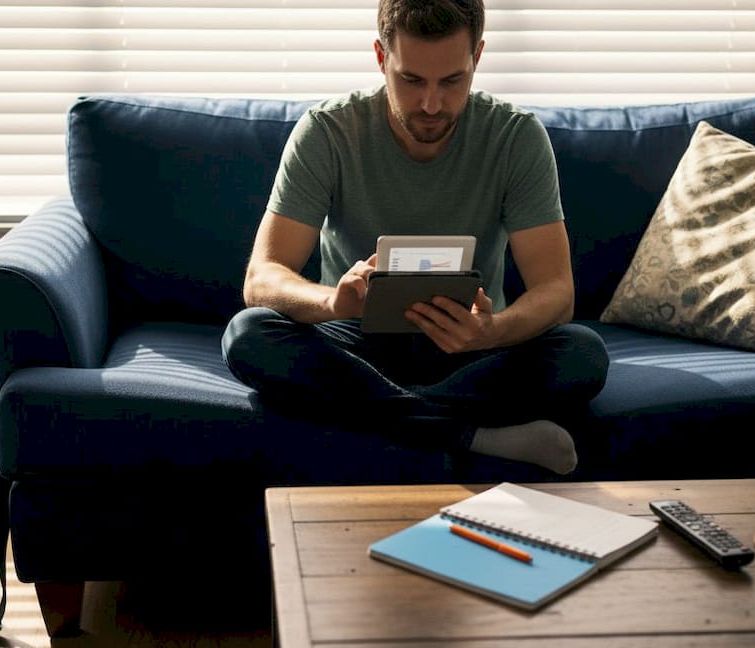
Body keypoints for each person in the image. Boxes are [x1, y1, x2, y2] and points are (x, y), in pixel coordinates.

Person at [221, 0, 608, 475]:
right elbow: (262, 278)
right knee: (247, 335)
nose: (431, 104)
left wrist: (491, 331)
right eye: (411, 80)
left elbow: (557, 292)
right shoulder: (327, 132)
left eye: (452, 81)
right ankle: (468, 434)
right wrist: (334, 304)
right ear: (382, 58)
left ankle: (386, 422)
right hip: (355, 344)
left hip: (472, 351)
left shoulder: (516, 137)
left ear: (477, 58)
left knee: (582, 352)